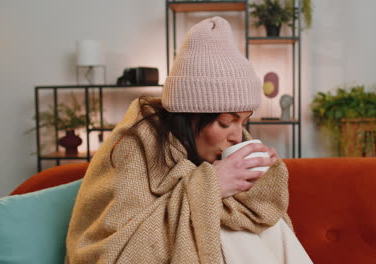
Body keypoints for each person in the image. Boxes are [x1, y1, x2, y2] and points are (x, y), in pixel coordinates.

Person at [65, 16, 312, 264]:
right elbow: (114, 253)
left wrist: (254, 181)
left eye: (244, 121)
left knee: (267, 224)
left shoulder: (223, 143)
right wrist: (211, 187)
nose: (237, 135)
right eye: (226, 122)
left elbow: (260, 212)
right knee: (220, 227)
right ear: (190, 116)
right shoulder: (133, 147)